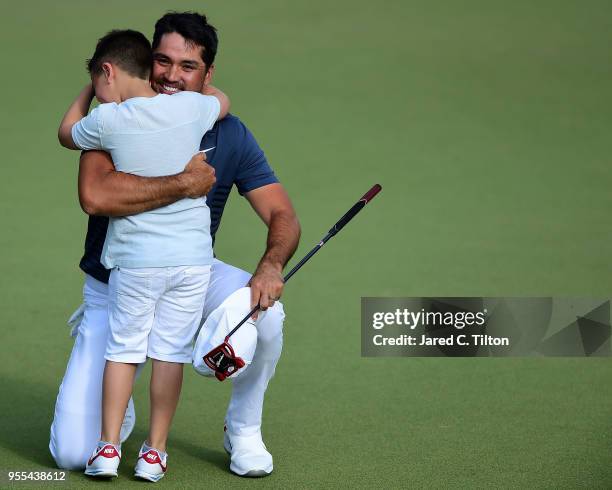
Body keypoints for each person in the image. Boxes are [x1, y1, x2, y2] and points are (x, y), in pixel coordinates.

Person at [49, 12, 300, 478]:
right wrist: (185, 183)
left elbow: (282, 214)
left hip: (189, 268)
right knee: (68, 454)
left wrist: (270, 264)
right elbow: (95, 197)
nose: (171, 75)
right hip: (114, 281)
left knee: (265, 310)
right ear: (147, 61)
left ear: (207, 74)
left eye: (187, 66)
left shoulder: (229, 131)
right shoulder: (115, 118)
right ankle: (122, 420)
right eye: (162, 61)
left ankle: (242, 429)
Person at [58, 28, 230, 481]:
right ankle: (154, 453)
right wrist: (197, 87)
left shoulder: (107, 120)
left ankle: (108, 449)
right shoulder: (194, 107)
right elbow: (222, 100)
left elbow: (65, 132)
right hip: (193, 260)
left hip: (135, 262)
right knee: (169, 354)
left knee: (124, 351)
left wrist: (87, 92)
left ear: (108, 73)